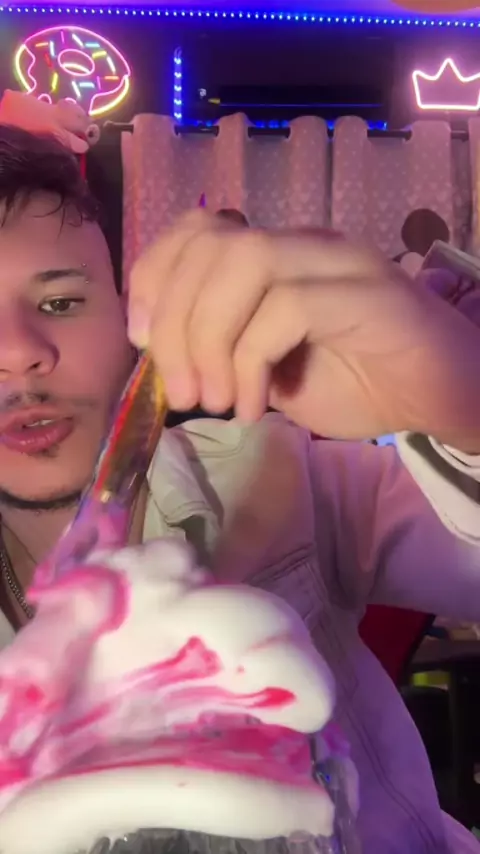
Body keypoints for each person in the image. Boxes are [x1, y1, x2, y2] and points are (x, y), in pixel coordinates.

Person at [0, 125, 479, 853]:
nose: (19, 353)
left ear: (129, 322)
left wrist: (459, 399)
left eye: (61, 302)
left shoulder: (281, 474)